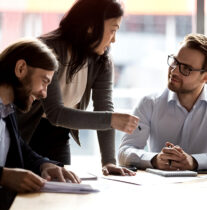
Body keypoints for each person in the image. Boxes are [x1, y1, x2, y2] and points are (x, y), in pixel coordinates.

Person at [16, 0, 138, 176]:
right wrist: (110, 119)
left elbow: (104, 106)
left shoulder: (101, 60)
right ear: (90, 26)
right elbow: (56, 113)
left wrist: (109, 161)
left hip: (58, 135)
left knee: (61, 191)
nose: (114, 39)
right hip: (26, 133)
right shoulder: (47, 51)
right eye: (112, 30)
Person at [118, 34, 207, 171]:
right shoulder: (149, 103)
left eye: (186, 69)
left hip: (206, 187)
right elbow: (124, 151)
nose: (174, 71)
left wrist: (195, 162)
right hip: (160, 186)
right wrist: (155, 159)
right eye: (175, 61)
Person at [0, 38, 81, 210]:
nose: (44, 93)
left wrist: (45, 164)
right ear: (21, 69)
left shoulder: (7, 109)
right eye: (44, 81)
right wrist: (3, 176)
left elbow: (21, 148)